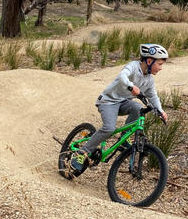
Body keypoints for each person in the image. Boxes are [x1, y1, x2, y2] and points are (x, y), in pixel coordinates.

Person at [69, 43, 169, 176]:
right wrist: (131, 86)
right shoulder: (133, 67)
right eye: (160, 64)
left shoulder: (149, 79)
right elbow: (122, 76)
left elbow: (153, 96)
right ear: (149, 61)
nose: (161, 68)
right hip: (108, 101)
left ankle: (124, 138)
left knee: (138, 108)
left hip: (123, 103)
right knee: (109, 128)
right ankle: (82, 152)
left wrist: (160, 111)